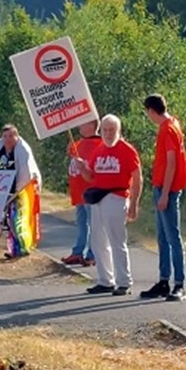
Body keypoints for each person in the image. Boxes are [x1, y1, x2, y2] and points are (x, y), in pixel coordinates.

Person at [77, 114, 141, 296]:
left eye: (111, 130)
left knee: (117, 241)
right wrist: (83, 168)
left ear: (118, 130)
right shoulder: (99, 150)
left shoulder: (127, 150)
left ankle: (124, 281)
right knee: (98, 241)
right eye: (105, 130)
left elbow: (137, 178)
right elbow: (91, 176)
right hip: (98, 198)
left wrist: (134, 203)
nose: (108, 133)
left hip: (117, 196)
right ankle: (105, 280)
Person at [138, 94, 186, 302]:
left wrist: (166, 194)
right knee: (162, 237)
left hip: (166, 189)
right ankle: (163, 281)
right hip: (161, 187)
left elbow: (171, 163)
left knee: (172, 237)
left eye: (147, 112)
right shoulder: (172, 124)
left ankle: (179, 283)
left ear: (151, 111)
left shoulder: (168, 129)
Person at [0, 124, 43, 257]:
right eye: (5, 136)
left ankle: (23, 247)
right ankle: (13, 249)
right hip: (4, 188)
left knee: (18, 218)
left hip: (24, 187)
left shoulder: (23, 150)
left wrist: (16, 194)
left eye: (11, 136)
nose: (8, 139)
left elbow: (25, 173)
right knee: (7, 220)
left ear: (17, 136)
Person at [63, 119, 100, 267]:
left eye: (83, 123)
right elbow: (71, 153)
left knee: (94, 224)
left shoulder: (99, 145)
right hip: (78, 192)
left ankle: (92, 253)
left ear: (91, 125)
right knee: (81, 224)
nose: (79, 126)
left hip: (90, 191)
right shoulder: (77, 144)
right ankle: (78, 252)